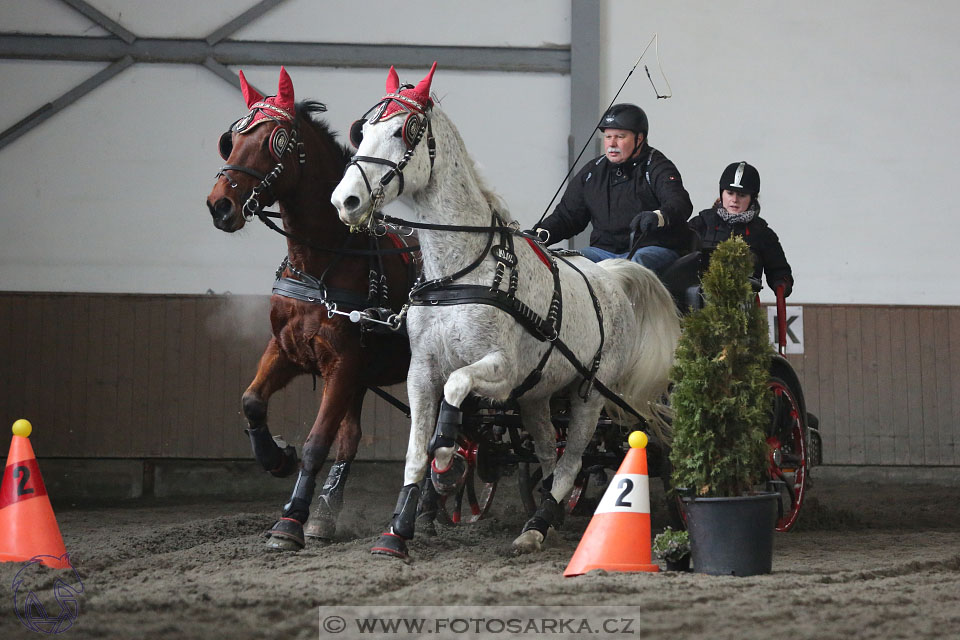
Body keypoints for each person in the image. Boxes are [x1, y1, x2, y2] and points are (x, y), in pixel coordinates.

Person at [535, 103, 693, 275]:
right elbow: (568, 215)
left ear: (639, 139)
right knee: (569, 264)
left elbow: (679, 202)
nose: (612, 143)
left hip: (653, 248)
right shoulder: (592, 172)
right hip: (603, 251)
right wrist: (541, 234)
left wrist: (658, 216)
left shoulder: (656, 166)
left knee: (632, 268)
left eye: (620, 136)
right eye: (608, 136)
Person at [689, 161, 794, 296]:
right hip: (701, 296)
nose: (734, 199)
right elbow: (681, 257)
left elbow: (779, 270)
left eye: (742, 195)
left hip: (744, 298)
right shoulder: (701, 223)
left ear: (752, 198)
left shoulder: (762, 233)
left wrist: (782, 283)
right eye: (730, 193)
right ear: (722, 193)